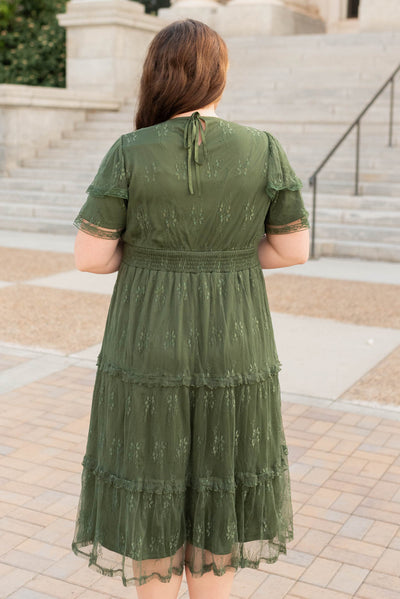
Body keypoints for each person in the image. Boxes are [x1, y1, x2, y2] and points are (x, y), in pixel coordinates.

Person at [71, 18, 310, 599]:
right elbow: (292, 248)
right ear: (219, 75)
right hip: (236, 332)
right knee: (219, 484)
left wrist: (155, 253)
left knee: (153, 476)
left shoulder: (130, 151)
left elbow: (92, 258)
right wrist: (223, 253)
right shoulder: (263, 148)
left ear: (157, 75)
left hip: (148, 334)